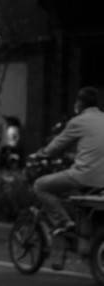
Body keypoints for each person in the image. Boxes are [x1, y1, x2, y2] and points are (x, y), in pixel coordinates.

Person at [33, 86, 104, 235]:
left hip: (84, 176)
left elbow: (56, 146)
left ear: (80, 103)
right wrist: (72, 157)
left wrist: (41, 153)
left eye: (76, 101)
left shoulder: (78, 121)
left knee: (40, 185)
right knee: (70, 192)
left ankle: (63, 221)